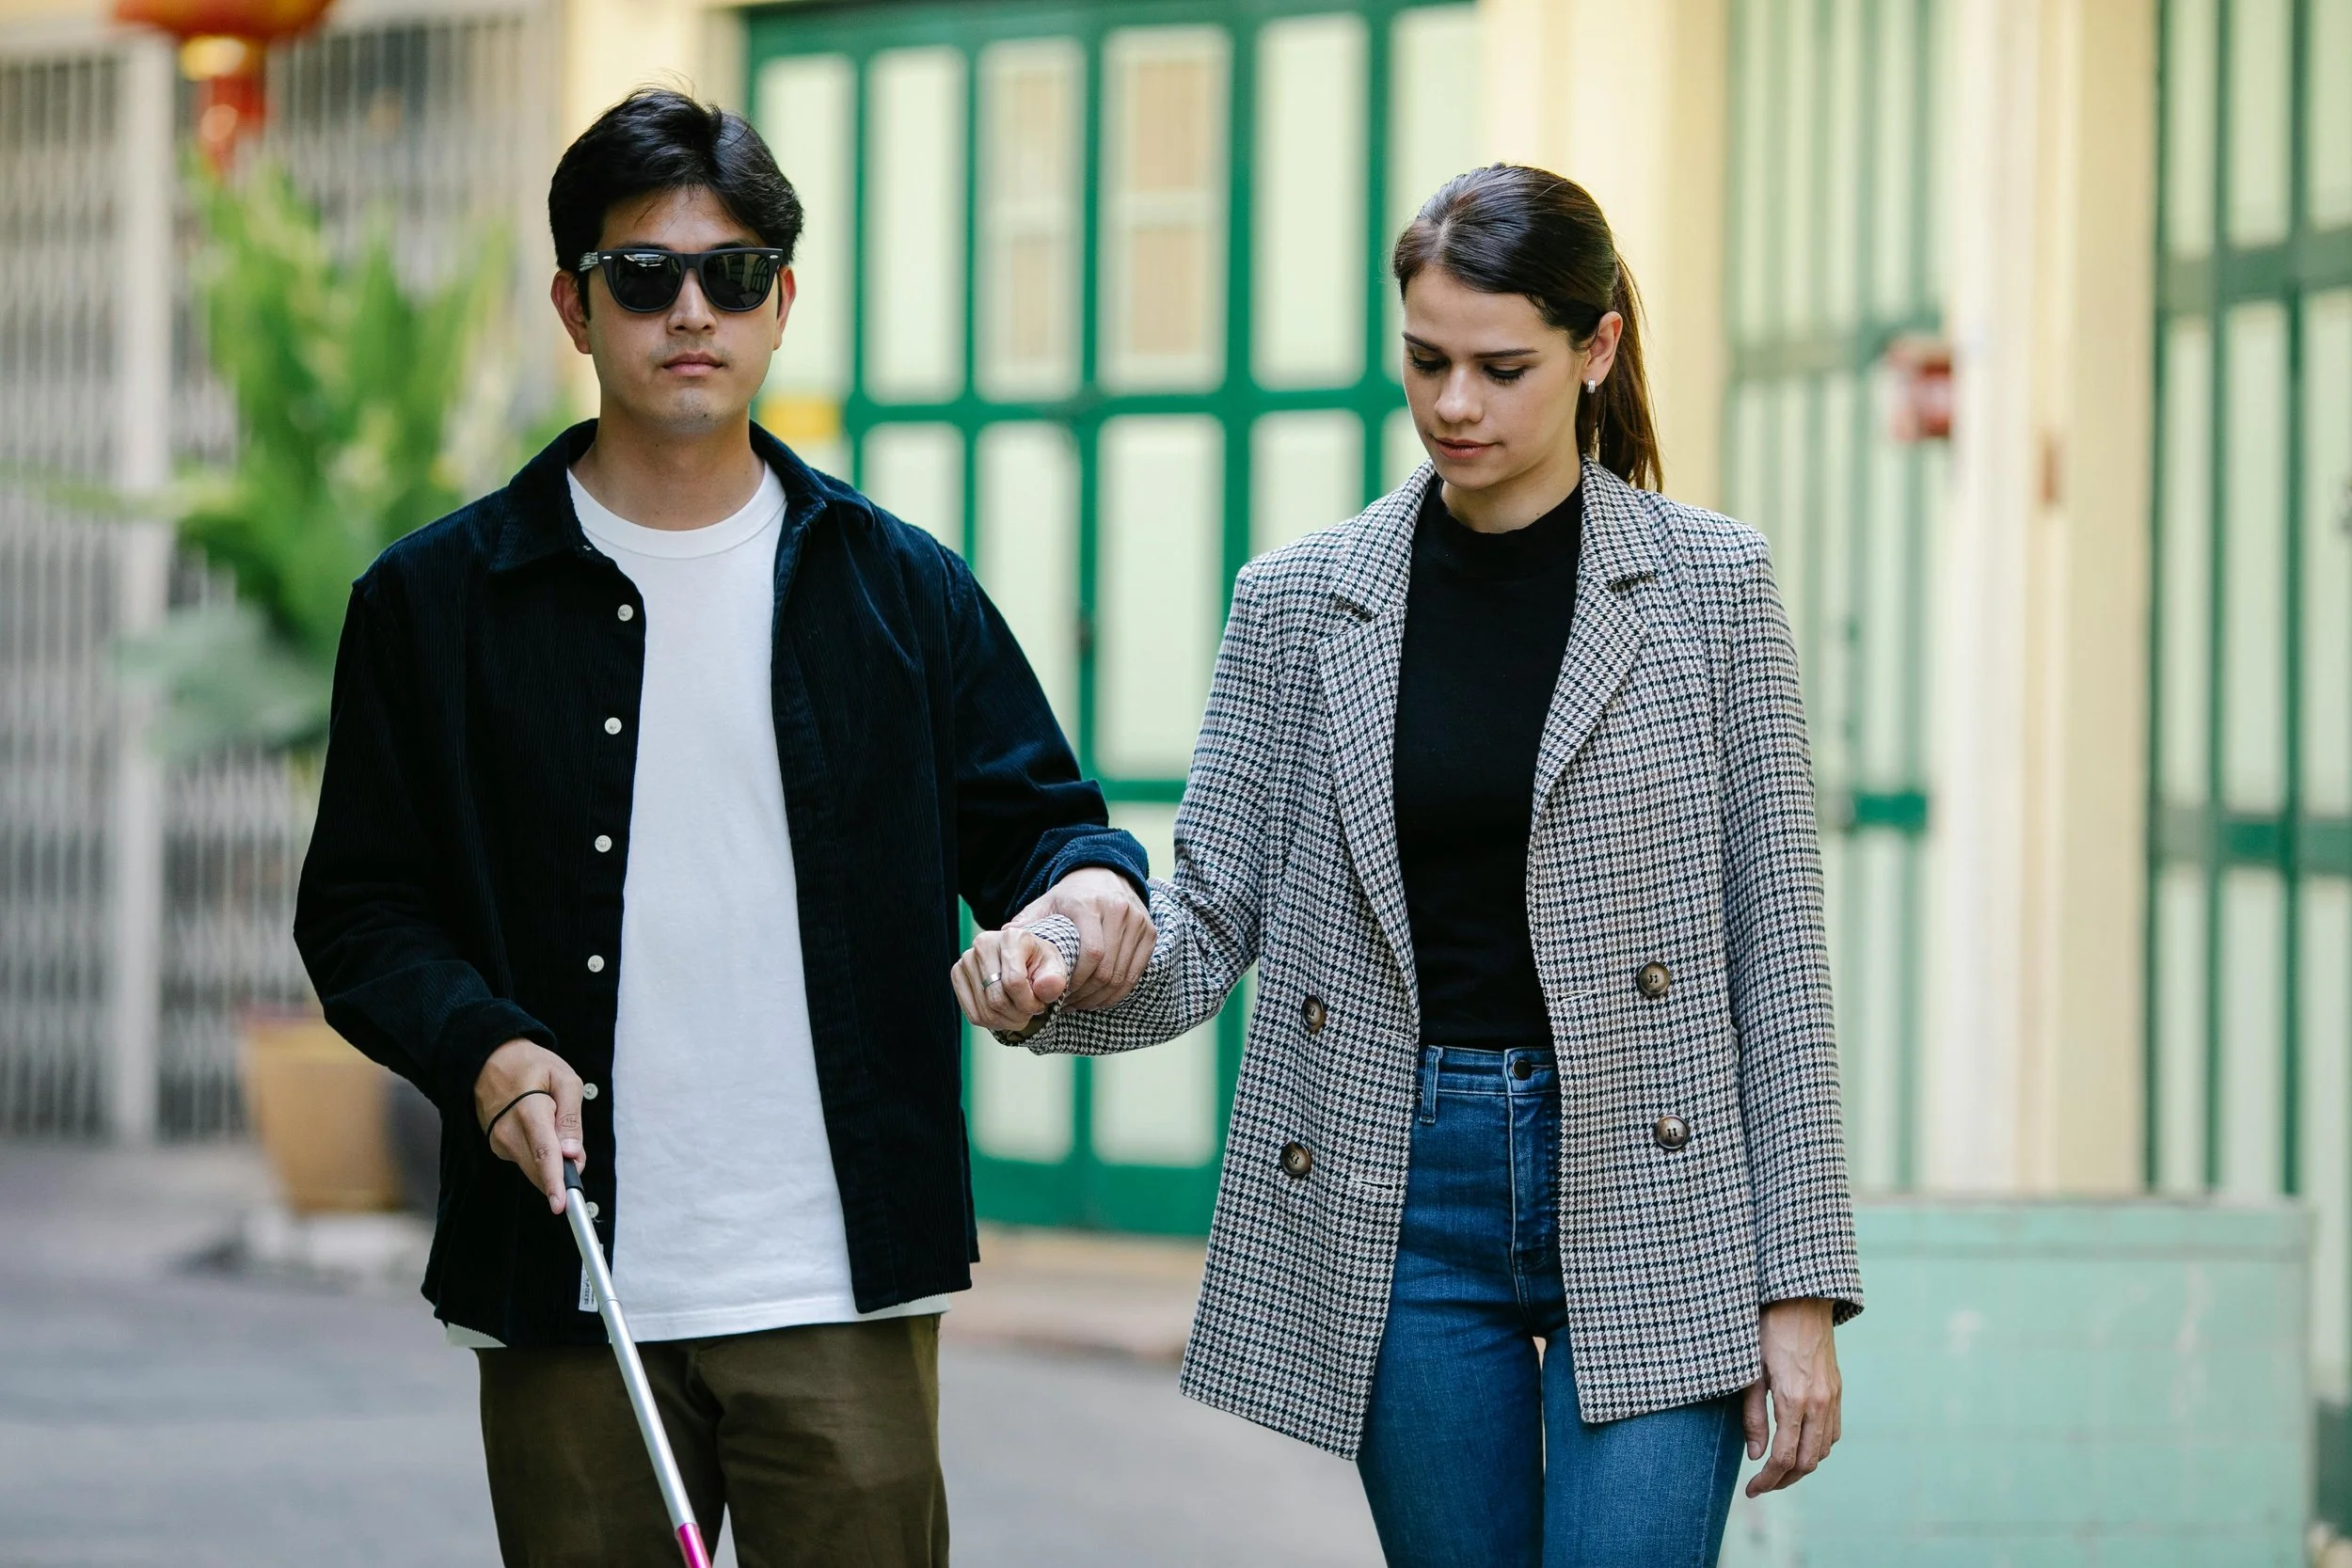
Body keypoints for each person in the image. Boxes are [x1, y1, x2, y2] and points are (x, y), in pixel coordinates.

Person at [955, 164, 1863, 1567]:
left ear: (1597, 347)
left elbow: (1776, 959)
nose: (1456, 405)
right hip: (1398, 1179)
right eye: (1427, 360)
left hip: (1654, 1169)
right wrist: (1056, 972)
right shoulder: (1301, 601)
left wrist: (1799, 1291)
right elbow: (1203, 925)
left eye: (1503, 368)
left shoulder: (1714, 587)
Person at [294, 88, 1154, 1568]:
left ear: (780, 301)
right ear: (576, 305)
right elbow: (361, 912)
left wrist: (1074, 908)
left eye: (733, 273)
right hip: (573, 1278)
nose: (691, 310)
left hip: (838, 1276)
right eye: (645, 276)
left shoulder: (902, 590)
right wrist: (486, 1047)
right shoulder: (433, 606)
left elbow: (1046, 828)